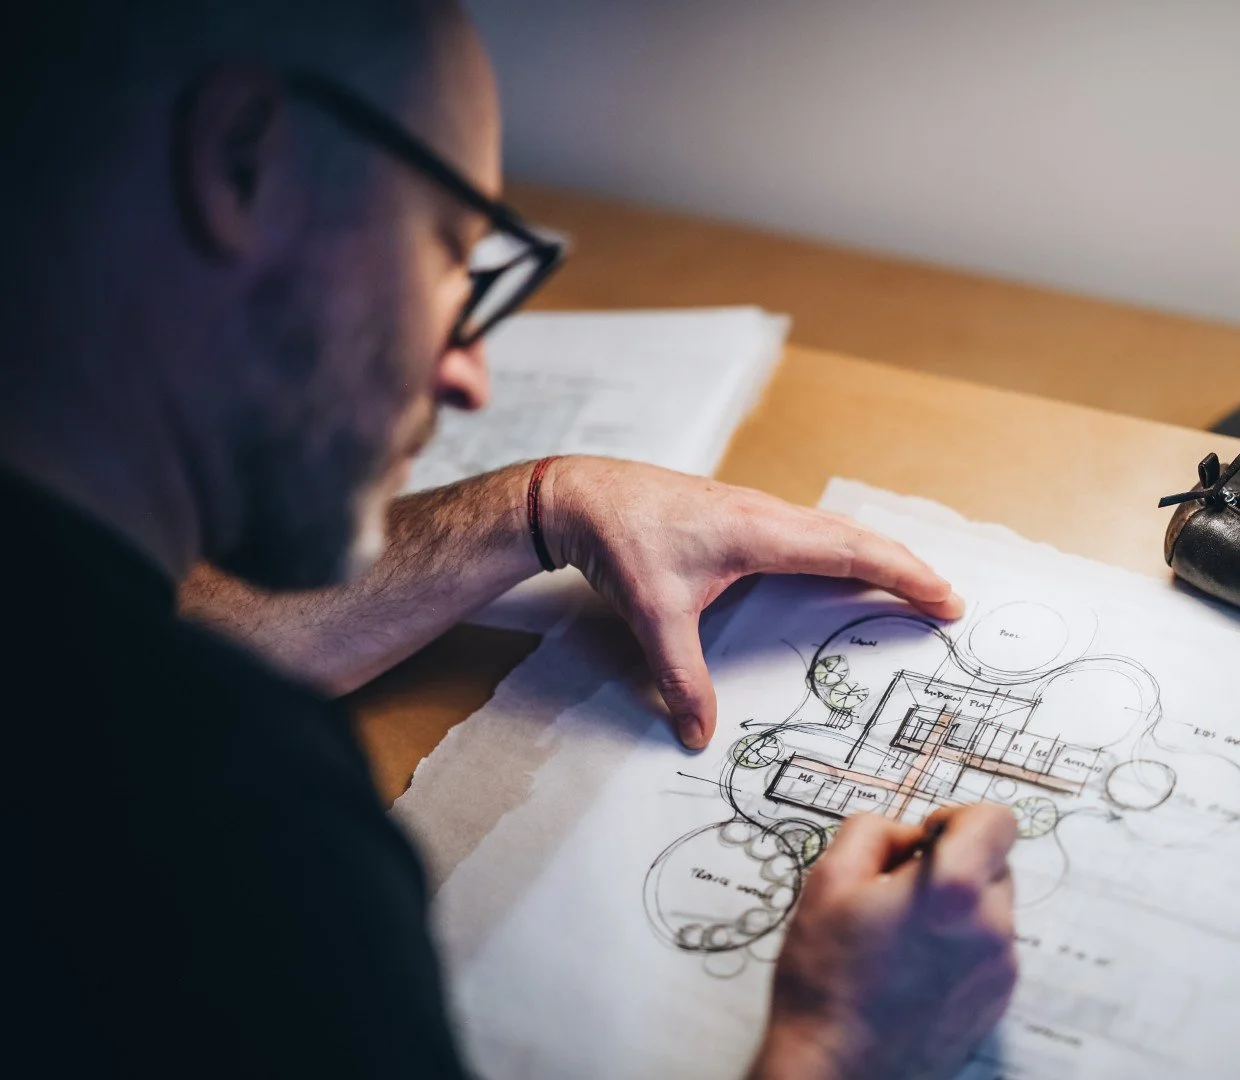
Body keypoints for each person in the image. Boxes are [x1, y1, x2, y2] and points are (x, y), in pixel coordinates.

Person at [7, 3, 1018, 1077]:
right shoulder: (235, 840)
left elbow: (125, 634)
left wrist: (534, 506)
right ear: (244, 162)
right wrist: (840, 1045)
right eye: (451, 254)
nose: (469, 374)